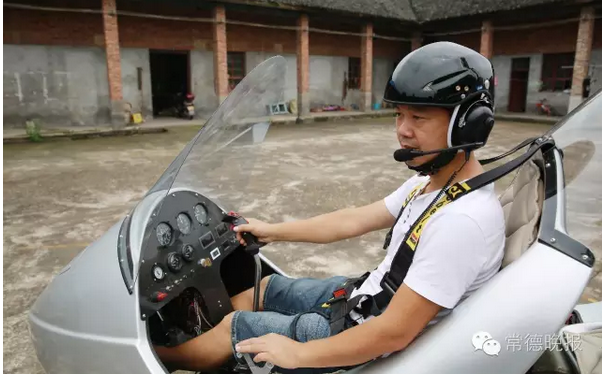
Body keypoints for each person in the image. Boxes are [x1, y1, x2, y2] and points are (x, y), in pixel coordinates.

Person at [154, 41, 506, 373]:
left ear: (467, 124)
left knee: (235, 326)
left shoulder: (462, 221)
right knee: (259, 291)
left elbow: (395, 331)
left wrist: (299, 353)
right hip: (362, 296)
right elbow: (350, 221)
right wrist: (272, 230)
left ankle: (152, 357)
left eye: (419, 118)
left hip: (363, 332)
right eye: (399, 115)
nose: (403, 131)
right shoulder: (429, 185)